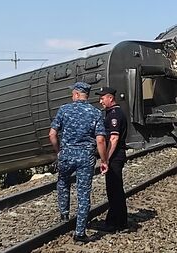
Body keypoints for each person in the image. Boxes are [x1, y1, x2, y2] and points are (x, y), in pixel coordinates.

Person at [49, 81, 109, 242]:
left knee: (63, 182)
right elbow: (101, 140)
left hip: (66, 155)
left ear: (76, 94)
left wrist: (59, 151)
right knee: (83, 194)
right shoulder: (95, 113)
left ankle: (64, 213)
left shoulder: (64, 110)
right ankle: (80, 233)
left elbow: (52, 135)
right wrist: (104, 160)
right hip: (85, 157)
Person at [92, 86, 129, 232]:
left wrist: (105, 159)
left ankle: (116, 222)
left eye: (102, 98)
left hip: (115, 156)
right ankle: (117, 220)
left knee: (115, 189)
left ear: (110, 98)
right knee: (114, 189)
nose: (100, 101)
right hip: (115, 156)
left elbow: (113, 138)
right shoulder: (111, 113)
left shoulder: (114, 115)